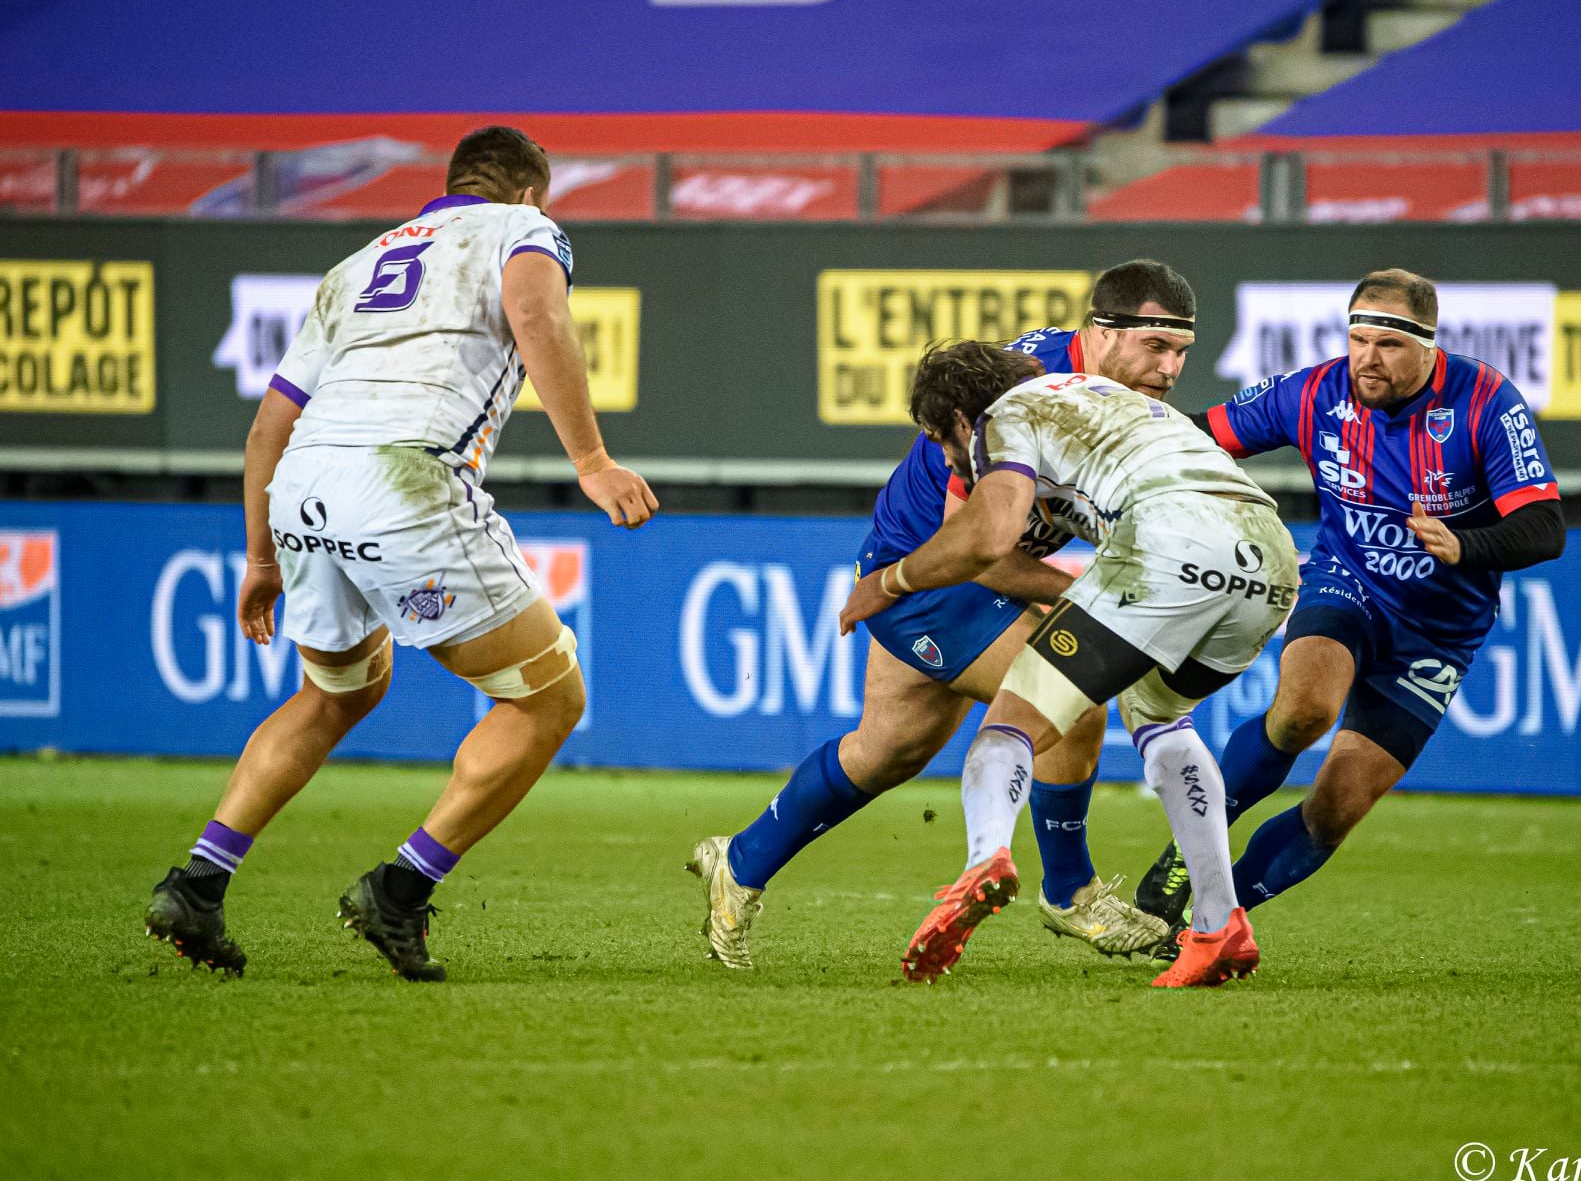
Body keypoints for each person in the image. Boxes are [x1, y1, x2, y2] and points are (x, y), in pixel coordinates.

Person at [142, 126, 656, 982]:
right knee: (548, 699)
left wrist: (261, 558)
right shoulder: (523, 229)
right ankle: (401, 890)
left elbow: (269, 425)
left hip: (303, 486)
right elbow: (536, 314)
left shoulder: (358, 264)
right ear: (529, 194)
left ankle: (199, 881)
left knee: (336, 692)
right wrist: (593, 464)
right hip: (405, 478)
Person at [688, 261, 1199, 969]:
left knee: (882, 751)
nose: (1171, 370)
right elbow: (982, 551)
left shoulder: (1108, 396)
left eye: (1181, 354)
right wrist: (1086, 592)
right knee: (1073, 697)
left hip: (935, 569)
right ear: (1101, 333)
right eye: (1157, 349)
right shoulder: (1028, 393)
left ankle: (738, 862)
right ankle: (1071, 891)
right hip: (933, 577)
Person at [838, 341, 1299, 989]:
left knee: (1011, 725)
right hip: (1270, 557)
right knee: (1162, 718)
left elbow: (988, 541)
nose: (949, 460)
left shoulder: (1003, 418)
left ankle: (985, 858)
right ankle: (1220, 925)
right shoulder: (1101, 394)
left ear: (964, 421)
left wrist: (888, 583)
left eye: (945, 443)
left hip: (1167, 554)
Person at [1132, 269, 1566, 937]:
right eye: (1358, 338)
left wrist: (1465, 546)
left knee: (1335, 809)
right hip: (1347, 583)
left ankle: (1208, 924)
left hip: (1439, 630)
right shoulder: (1316, 391)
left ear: (1429, 347)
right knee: (1304, 712)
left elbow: (1545, 528)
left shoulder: (1485, 403)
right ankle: (1182, 863)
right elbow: (1200, 435)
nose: (1366, 357)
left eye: (1388, 345)